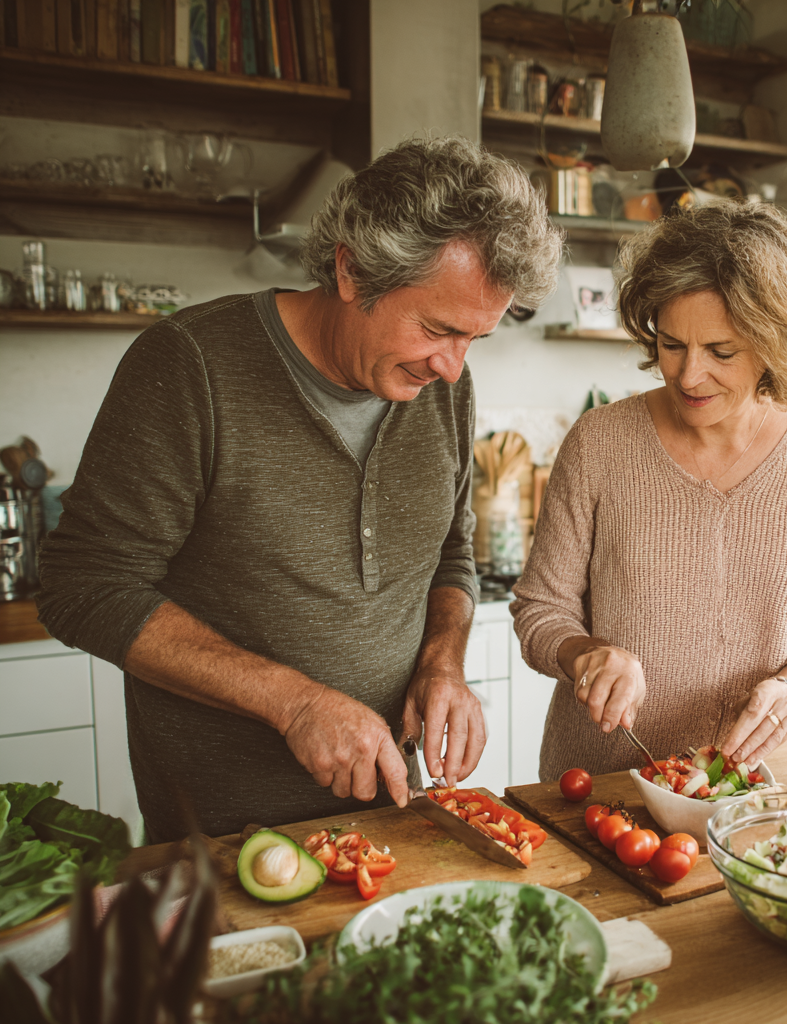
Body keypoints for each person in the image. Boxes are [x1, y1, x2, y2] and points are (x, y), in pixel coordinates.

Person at [37, 137, 563, 842]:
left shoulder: (447, 389)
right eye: (438, 329)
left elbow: (449, 554)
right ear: (351, 271)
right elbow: (83, 585)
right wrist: (294, 703)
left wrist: (443, 662)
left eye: (476, 339)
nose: (451, 367)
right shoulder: (192, 365)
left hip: (395, 820)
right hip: (223, 836)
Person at [511, 199, 787, 782]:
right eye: (671, 344)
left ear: (777, 344)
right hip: (599, 785)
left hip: (753, 785)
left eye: (720, 352)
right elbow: (540, 610)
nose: (687, 374)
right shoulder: (601, 440)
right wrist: (586, 655)